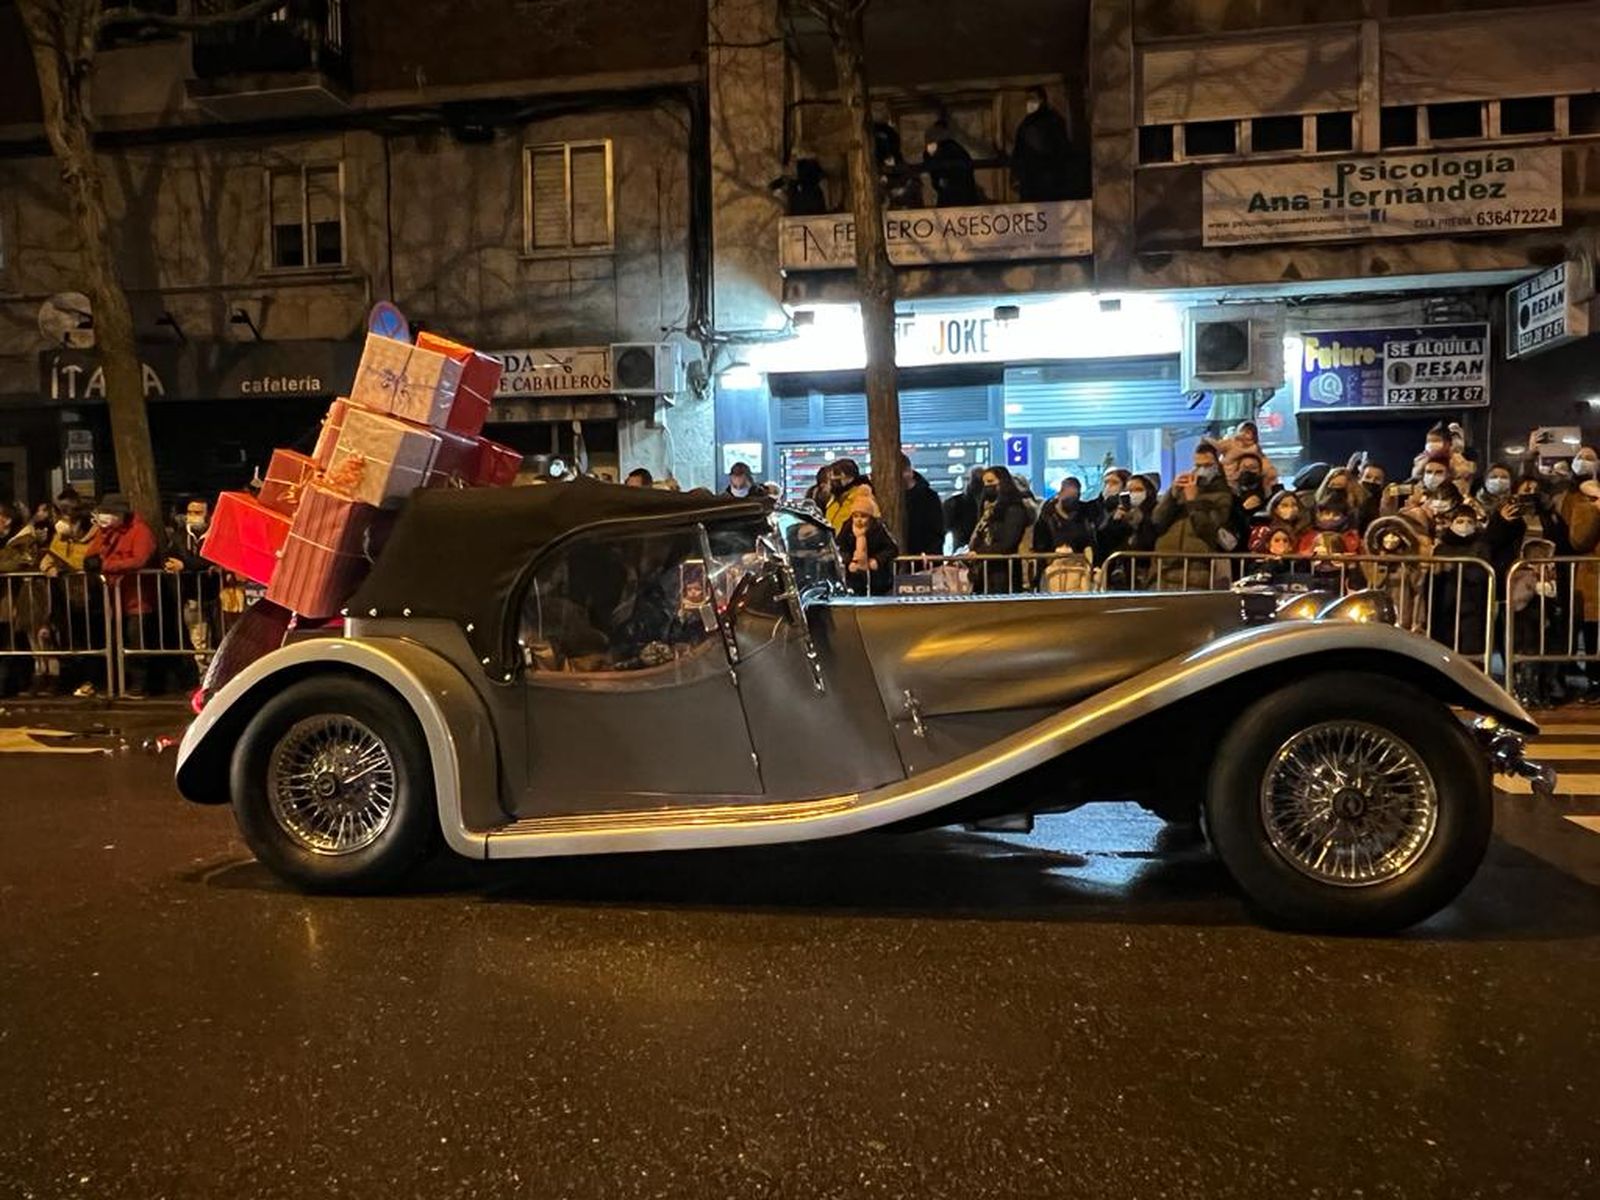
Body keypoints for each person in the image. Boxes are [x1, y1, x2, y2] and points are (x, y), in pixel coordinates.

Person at [90, 494, 160, 699]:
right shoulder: (106, 533)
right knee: (113, 641)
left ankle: (139, 685)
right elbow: (91, 555)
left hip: (136, 598)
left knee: (135, 642)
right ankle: (115, 683)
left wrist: (106, 566)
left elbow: (139, 559)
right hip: (112, 598)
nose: (105, 517)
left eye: (109, 513)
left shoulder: (140, 531)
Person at [1152, 442, 1236, 587]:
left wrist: (1193, 501)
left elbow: (1207, 528)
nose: (1202, 470)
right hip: (1164, 565)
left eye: (1208, 466)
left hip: (1196, 568)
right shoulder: (1183, 490)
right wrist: (1172, 494)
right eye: (1198, 465)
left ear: (1217, 467)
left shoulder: (1222, 495)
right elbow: (1157, 520)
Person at [966, 466, 1029, 593]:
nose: (987, 486)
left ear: (1003, 482)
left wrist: (980, 553)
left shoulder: (1014, 508)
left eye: (990, 482)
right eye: (984, 483)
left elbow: (1009, 542)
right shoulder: (987, 510)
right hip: (985, 571)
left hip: (1004, 572)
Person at [1010, 86, 1075, 201]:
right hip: (1031, 180)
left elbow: (1061, 149)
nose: (1029, 102)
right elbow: (1019, 152)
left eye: (1032, 98)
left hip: (1049, 180)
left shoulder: (1052, 121)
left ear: (1042, 100)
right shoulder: (1026, 124)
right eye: (1027, 99)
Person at [837, 490, 898, 596]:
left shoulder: (878, 529)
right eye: (855, 516)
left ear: (870, 517)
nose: (859, 520)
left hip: (877, 579)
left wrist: (877, 560)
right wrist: (848, 562)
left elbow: (891, 549)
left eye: (863, 516)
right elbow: (840, 548)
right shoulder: (847, 528)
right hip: (852, 578)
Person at [1033, 475, 1096, 556]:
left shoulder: (1085, 514)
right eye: (1068, 498)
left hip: (1080, 563)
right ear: (1060, 494)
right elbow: (1039, 547)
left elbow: (1089, 542)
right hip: (1052, 563)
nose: (1071, 503)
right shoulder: (1046, 517)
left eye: (1074, 498)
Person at [897, 454, 945, 557]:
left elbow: (937, 529)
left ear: (909, 471)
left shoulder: (929, 497)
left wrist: (931, 553)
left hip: (923, 558)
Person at [923, 125, 982, 207]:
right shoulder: (955, 149)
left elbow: (938, 173)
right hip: (961, 198)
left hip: (955, 197)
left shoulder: (948, 150)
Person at [1218, 421, 1279, 490]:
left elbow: (1271, 474)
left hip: (1250, 487)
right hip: (1229, 485)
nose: (1247, 435)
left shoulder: (1256, 451)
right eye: (1245, 431)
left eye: (1250, 432)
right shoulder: (1229, 444)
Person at [823, 459, 871, 534]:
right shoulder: (833, 501)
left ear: (850, 477)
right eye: (830, 475)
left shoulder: (862, 499)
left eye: (836, 473)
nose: (832, 478)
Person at [943, 467, 985, 551]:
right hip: (987, 552)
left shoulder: (953, 503)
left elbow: (943, 529)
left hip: (962, 551)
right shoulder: (995, 503)